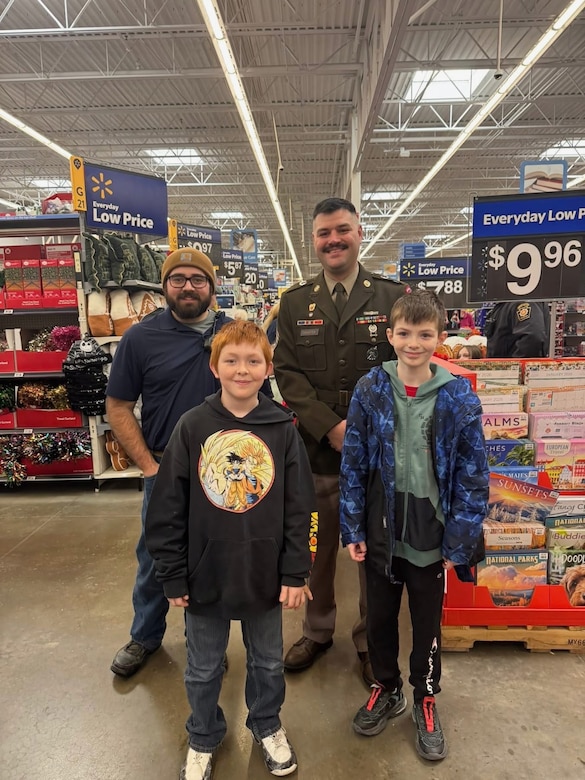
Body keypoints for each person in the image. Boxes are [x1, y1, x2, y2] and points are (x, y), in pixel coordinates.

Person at [144, 321, 315, 780]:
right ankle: (202, 734)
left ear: (268, 368)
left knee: (266, 662)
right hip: (205, 576)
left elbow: (301, 507)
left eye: (253, 360)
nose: (243, 370)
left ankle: (266, 724)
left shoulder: (282, 429)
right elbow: (166, 508)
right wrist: (172, 574)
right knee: (201, 669)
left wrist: (296, 572)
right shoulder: (192, 427)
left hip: (265, 575)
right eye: (232, 360)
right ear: (214, 367)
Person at [339, 289, 489, 761]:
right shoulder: (370, 389)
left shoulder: (457, 396)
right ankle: (386, 687)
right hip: (382, 524)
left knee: (426, 619)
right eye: (404, 333)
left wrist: (460, 538)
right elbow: (355, 461)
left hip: (432, 527)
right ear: (390, 336)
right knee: (379, 615)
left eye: (425, 334)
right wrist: (353, 528)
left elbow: (472, 471)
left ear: (440, 338)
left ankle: (425, 696)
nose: (414, 343)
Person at [273, 196, 408, 686]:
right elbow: (286, 373)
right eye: (324, 233)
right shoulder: (293, 303)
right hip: (316, 452)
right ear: (314, 240)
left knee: (376, 549)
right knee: (319, 548)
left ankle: (372, 641)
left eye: (342, 230)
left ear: (359, 233)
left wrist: (367, 429)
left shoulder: (392, 298)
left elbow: (406, 368)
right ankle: (317, 630)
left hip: (379, 455)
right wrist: (331, 426)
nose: (333, 240)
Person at [108, 247, 233, 678]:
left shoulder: (233, 333)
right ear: (164, 287)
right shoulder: (140, 338)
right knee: (156, 557)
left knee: (217, 558)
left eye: (197, 279)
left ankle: (209, 642)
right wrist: (147, 465)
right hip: (163, 470)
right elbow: (119, 405)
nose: (187, 287)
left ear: (212, 287)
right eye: (177, 279)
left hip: (222, 473)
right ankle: (144, 636)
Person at [484, 301, 550, 358]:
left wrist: (515, 367)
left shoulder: (521, 300)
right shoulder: (506, 302)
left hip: (512, 369)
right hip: (504, 367)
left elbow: (532, 337)